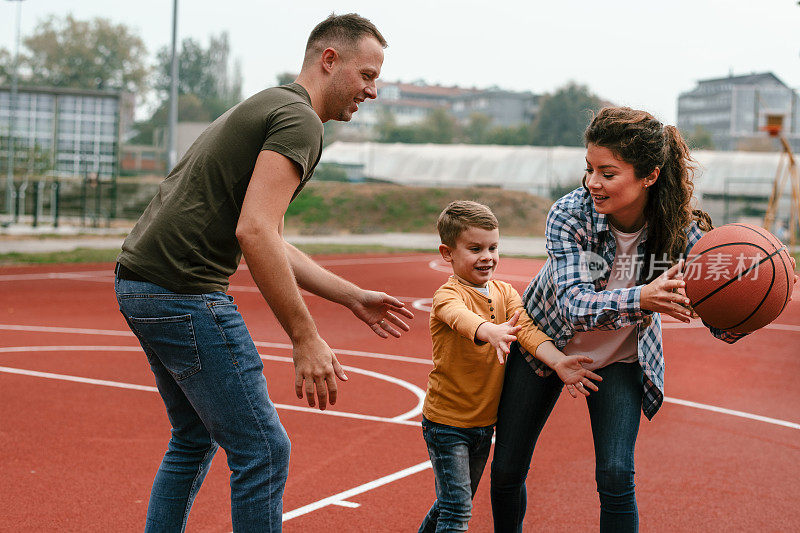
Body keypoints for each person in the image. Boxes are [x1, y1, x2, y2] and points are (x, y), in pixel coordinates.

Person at [114, 14, 414, 532]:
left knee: (192, 439)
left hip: (141, 283)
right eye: (366, 76)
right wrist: (305, 336)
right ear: (329, 60)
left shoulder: (271, 104)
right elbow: (255, 233)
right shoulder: (299, 121)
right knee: (265, 451)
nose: (372, 91)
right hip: (184, 291)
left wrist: (349, 296)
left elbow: (264, 231)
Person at [490, 106, 798, 532]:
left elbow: (720, 323)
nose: (593, 183)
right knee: (506, 470)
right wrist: (645, 297)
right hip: (544, 343)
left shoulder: (680, 230)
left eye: (608, 173)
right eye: (590, 168)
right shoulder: (570, 215)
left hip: (621, 358)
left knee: (616, 476)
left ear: (649, 176)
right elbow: (576, 306)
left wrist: (767, 292)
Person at [419, 200, 602, 532]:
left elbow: (528, 330)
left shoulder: (505, 292)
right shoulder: (448, 296)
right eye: (475, 248)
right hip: (446, 424)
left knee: (451, 505)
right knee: (458, 511)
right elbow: (462, 319)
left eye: (493, 247)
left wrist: (559, 362)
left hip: (482, 424)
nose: (487, 256)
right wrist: (491, 331)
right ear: (448, 253)